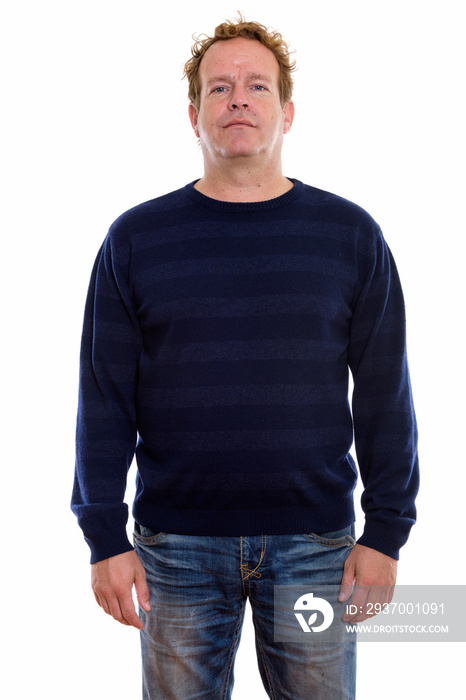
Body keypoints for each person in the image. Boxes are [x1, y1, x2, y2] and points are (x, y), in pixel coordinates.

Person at [72, 15, 419, 700]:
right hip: (175, 548)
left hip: (316, 545)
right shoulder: (135, 240)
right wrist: (104, 536)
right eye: (220, 88)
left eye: (256, 86)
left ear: (286, 112)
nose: (238, 100)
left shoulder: (350, 236)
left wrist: (387, 532)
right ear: (193, 114)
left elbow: (385, 394)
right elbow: (103, 395)